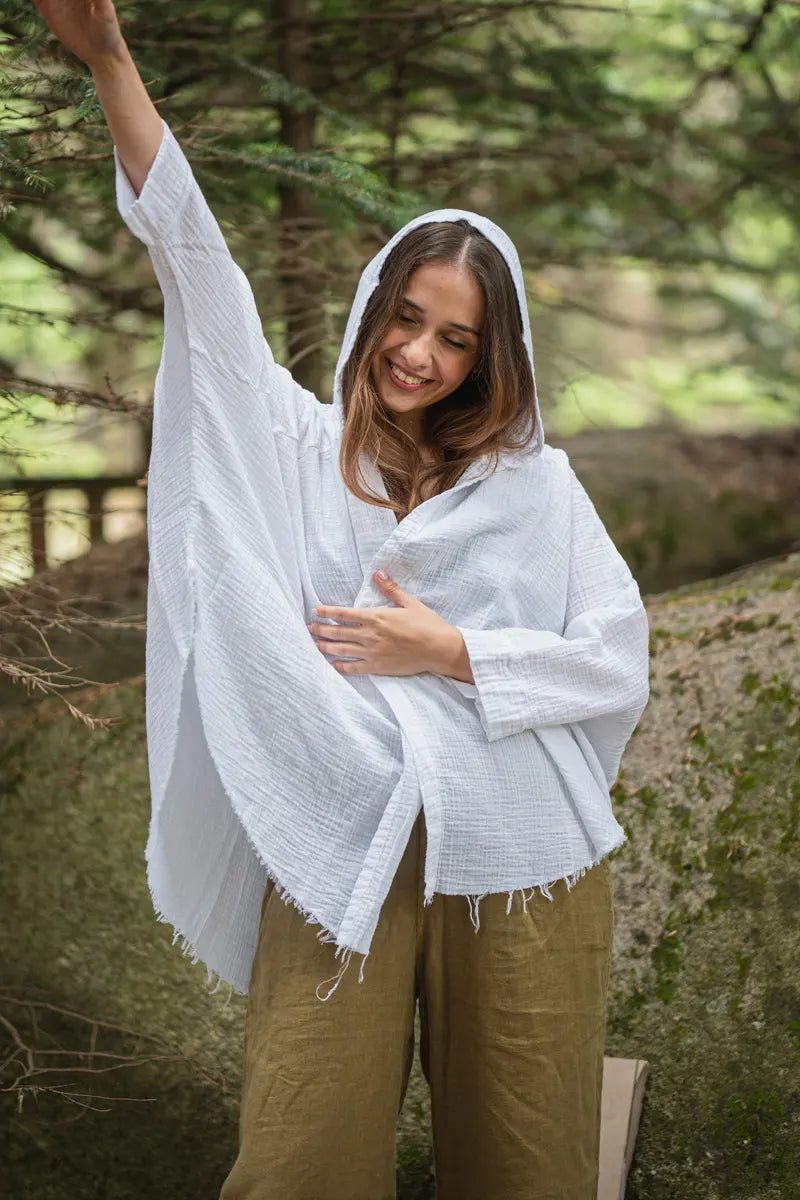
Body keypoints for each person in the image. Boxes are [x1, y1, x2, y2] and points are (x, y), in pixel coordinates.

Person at [32, 4, 651, 1197]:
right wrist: (112, 63)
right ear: (374, 309)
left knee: (527, 1162)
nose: (419, 354)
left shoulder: (538, 487)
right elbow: (198, 266)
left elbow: (614, 658)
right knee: (300, 1155)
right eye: (406, 319)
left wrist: (451, 650)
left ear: (491, 358)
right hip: (339, 838)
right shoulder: (292, 443)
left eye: (456, 340)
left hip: (525, 854)